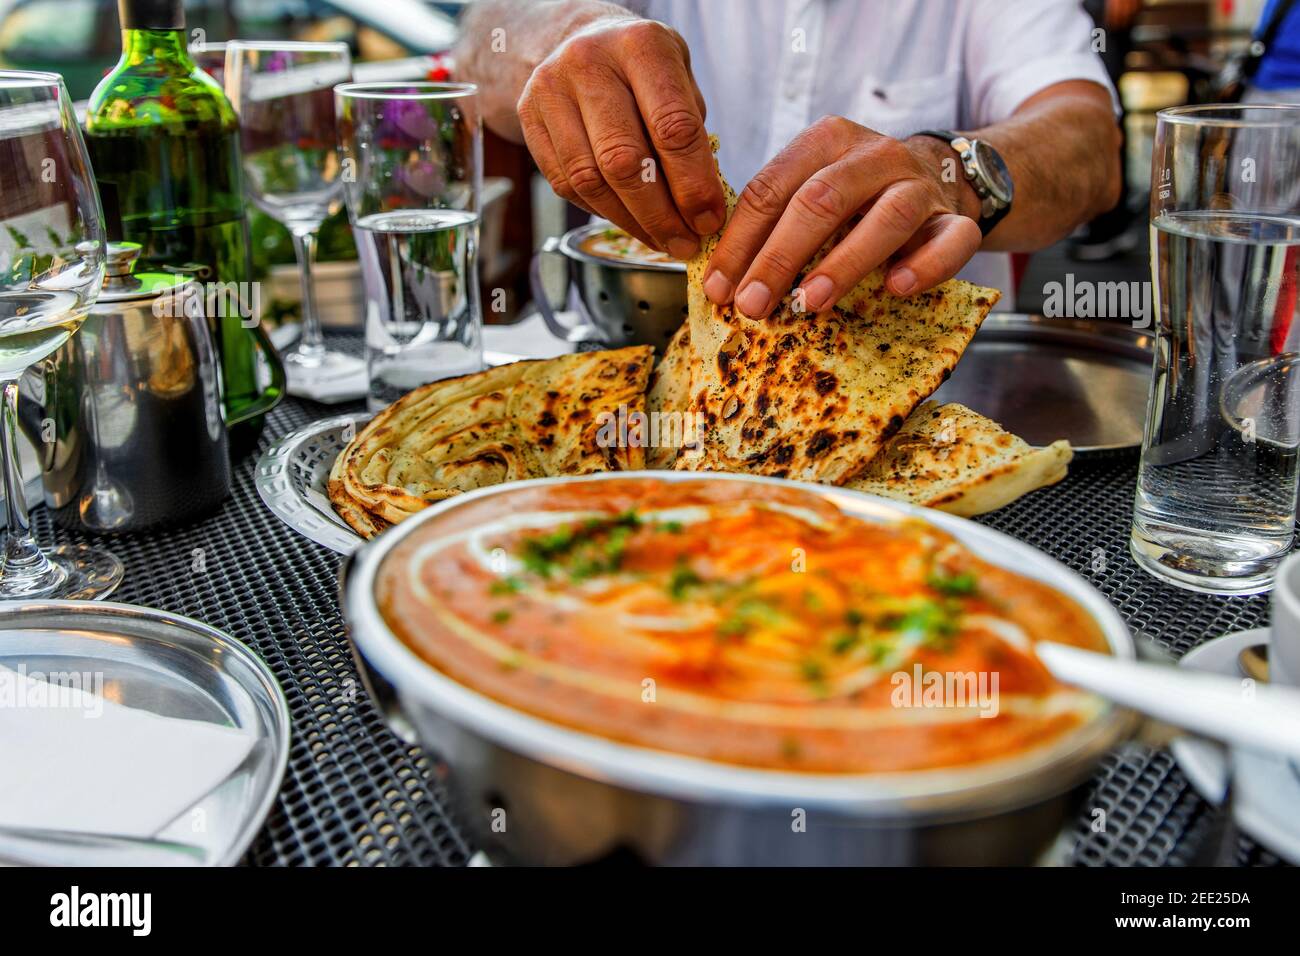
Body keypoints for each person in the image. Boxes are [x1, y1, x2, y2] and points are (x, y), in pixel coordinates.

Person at [458, 0, 1122, 312]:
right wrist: (570, 33)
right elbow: (484, 38)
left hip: (928, 419)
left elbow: (1090, 145)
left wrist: (947, 173)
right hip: (630, 393)